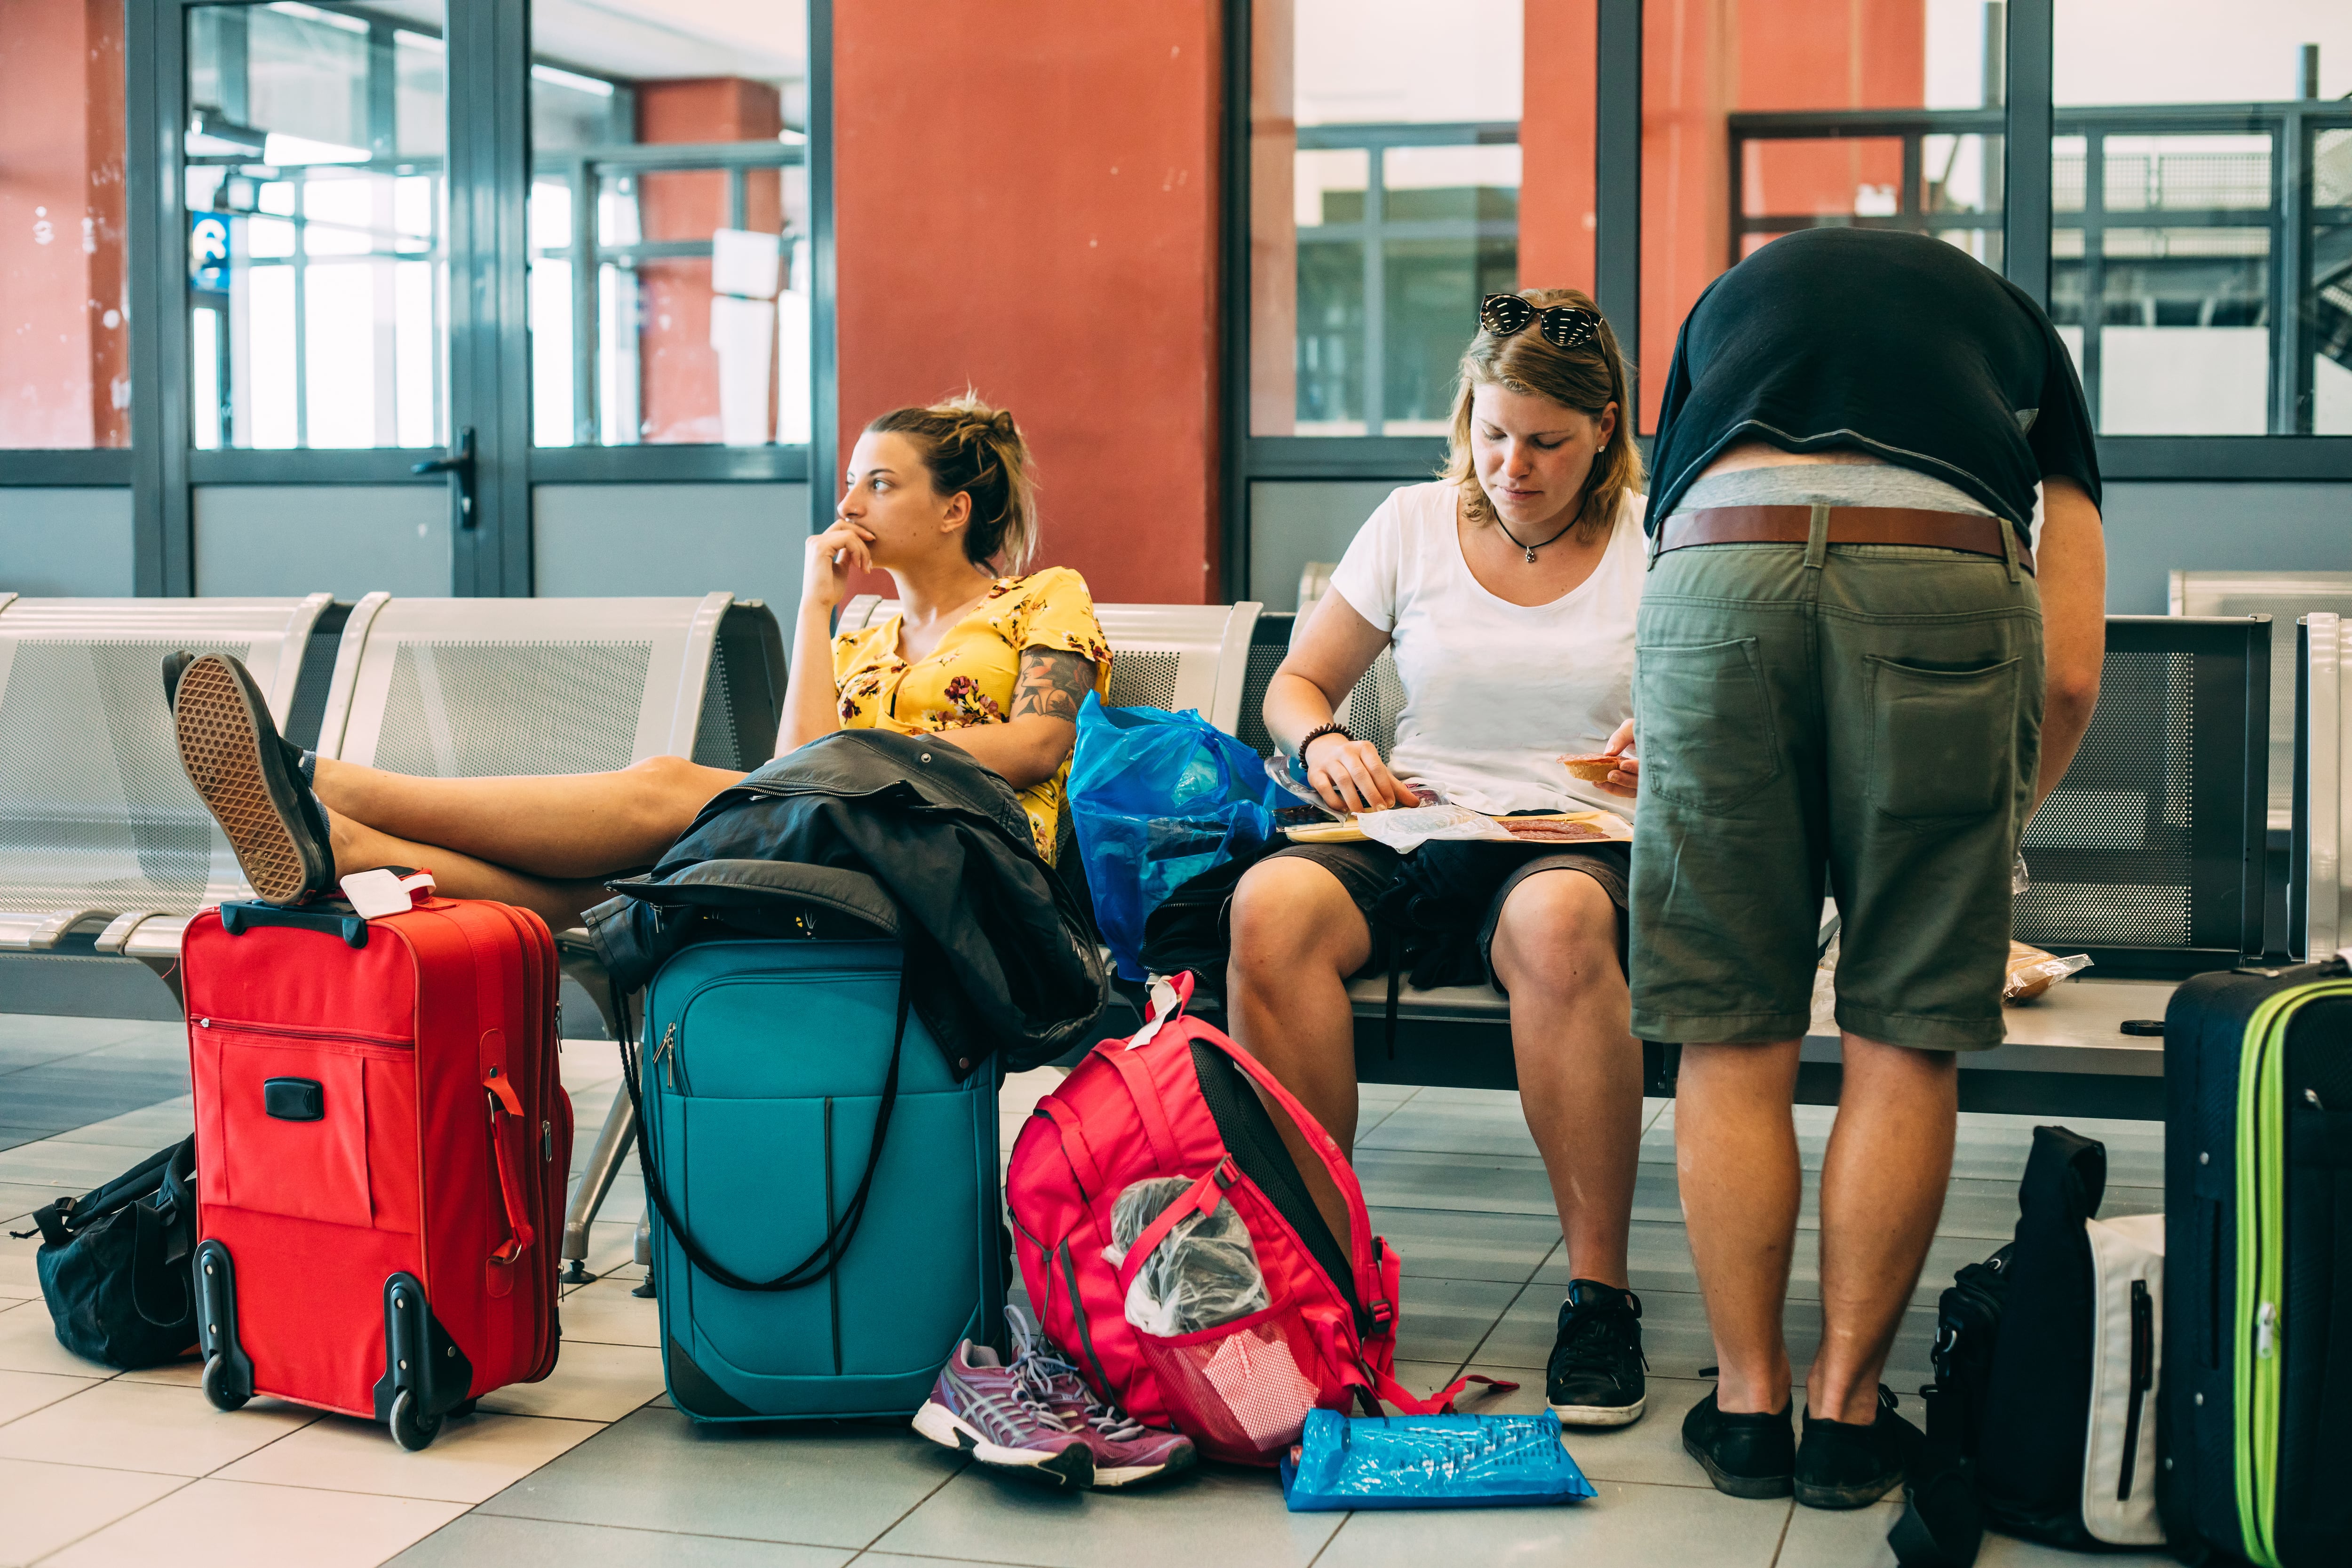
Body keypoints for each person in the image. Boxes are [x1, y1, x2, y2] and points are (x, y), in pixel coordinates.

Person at [1623, 227, 2106, 1510]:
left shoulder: (1717, 311)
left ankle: (1746, 1407)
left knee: (1731, 1024)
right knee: (1902, 1029)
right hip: (1944, 578)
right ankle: (1844, 1417)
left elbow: (1671, 527)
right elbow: (2069, 668)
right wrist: (1988, 829)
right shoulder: (2025, 336)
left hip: (1718, 579)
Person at [164, 394, 1111, 932]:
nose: (851, 497)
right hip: (848, 835)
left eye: (881, 480)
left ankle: (322, 783)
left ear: (954, 509)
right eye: (852, 475)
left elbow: (1037, 743)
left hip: (974, 863)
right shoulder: (860, 625)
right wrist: (817, 604)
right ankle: (346, 844)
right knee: (609, 893)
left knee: (664, 786)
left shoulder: (1041, 597)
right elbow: (797, 763)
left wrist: (885, 761)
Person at [1229, 287, 1655, 1429]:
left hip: (1570, 836)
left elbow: (1728, 711)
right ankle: (1322, 1279)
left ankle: (1600, 1295)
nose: (1514, 465)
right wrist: (1321, 741)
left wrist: (1662, 735)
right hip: (1419, 818)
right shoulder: (1413, 524)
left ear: (1604, 429)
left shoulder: (1653, 539)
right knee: (1269, 908)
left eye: (1547, 442)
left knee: (1557, 930)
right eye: (1493, 431)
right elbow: (1295, 684)